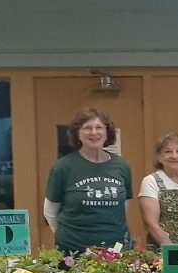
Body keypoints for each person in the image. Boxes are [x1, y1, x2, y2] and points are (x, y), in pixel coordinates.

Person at [44, 108, 134, 254]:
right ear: (77, 133)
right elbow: (50, 211)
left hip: (114, 249)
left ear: (107, 132)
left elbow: (123, 206)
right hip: (73, 251)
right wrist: (64, 237)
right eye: (87, 128)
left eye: (99, 127)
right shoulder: (63, 167)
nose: (94, 132)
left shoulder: (122, 166)